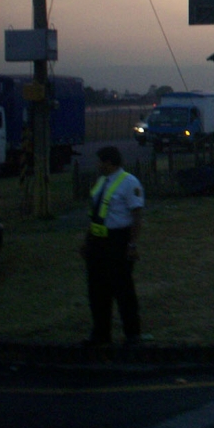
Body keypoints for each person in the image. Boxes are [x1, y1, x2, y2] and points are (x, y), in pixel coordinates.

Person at [80, 146, 144, 347]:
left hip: (117, 241)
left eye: (100, 161)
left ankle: (132, 334)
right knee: (97, 290)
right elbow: (96, 213)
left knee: (123, 289)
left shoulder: (128, 182)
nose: (97, 165)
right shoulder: (101, 182)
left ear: (109, 162)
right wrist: (87, 240)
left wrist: (132, 244)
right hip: (97, 242)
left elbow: (137, 216)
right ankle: (101, 333)